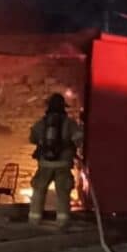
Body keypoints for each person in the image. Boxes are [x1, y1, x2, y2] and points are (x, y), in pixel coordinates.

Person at [28, 93, 84, 228]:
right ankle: (62, 221)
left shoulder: (42, 123)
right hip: (63, 164)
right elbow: (79, 140)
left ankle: (34, 219)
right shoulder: (69, 123)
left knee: (39, 190)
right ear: (63, 108)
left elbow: (32, 138)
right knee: (63, 192)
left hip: (44, 164)